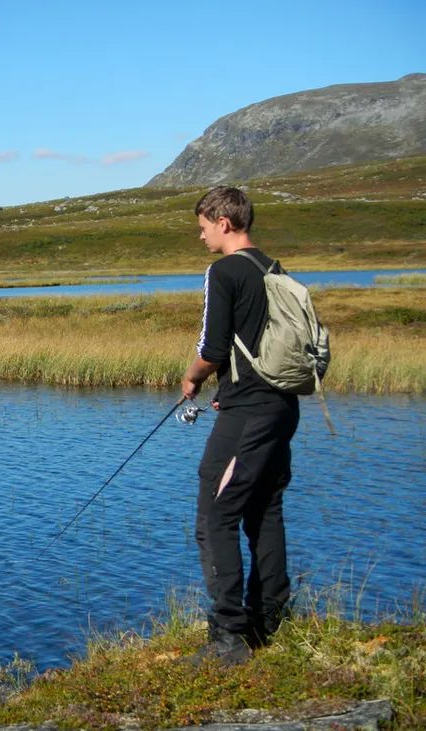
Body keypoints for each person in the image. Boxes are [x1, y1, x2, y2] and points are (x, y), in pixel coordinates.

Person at [180, 187, 300, 666]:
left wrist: (191, 379)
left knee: (215, 517)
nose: (202, 233)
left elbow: (212, 348)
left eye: (204, 224)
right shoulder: (274, 268)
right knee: (264, 511)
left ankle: (228, 638)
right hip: (281, 408)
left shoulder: (223, 271)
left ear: (224, 222)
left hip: (247, 414)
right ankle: (269, 620)